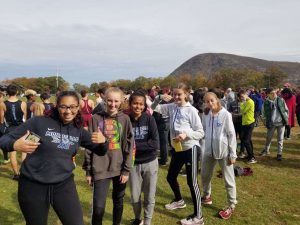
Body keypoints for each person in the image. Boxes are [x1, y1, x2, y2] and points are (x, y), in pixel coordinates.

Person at [0, 90, 108, 225]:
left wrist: (104, 142)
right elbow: (4, 140)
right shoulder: (39, 123)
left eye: (73, 107)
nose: (68, 111)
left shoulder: (78, 130)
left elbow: (101, 151)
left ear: (78, 107)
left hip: (63, 186)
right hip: (33, 186)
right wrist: (14, 144)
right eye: (64, 107)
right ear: (56, 106)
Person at [151, 83, 205, 225]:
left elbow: (200, 132)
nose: (176, 97)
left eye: (179, 94)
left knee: (192, 182)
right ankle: (179, 200)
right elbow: (153, 108)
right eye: (174, 94)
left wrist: (185, 134)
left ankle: (199, 217)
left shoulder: (191, 110)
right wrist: (158, 97)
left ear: (186, 94)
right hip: (177, 149)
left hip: (190, 148)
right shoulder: (171, 107)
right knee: (170, 177)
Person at [83, 87, 134, 225]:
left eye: (116, 101)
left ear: (122, 101)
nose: (112, 104)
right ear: (104, 100)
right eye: (109, 100)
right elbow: (89, 146)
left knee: (118, 201)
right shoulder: (95, 118)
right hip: (100, 168)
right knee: (98, 208)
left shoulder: (125, 119)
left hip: (119, 169)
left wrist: (126, 170)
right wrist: (88, 170)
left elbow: (130, 146)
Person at [201, 92, 237, 220]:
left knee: (228, 180)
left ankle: (231, 205)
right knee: (205, 175)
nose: (210, 103)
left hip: (224, 152)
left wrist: (233, 154)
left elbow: (231, 134)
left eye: (212, 100)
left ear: (217, 99)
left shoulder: (225, 114)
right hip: (208, 151)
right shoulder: (206, 114)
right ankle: (207, 196)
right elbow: (204, 130)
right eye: (207, 101)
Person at [128, 91, 159, 225]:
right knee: (135, 197)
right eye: (135, 103)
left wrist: (133, 146)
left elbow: (155, 143)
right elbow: (123, 143)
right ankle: (138, 218)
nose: (138, 106)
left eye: (141, 104)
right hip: (133, 163)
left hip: (150, 162)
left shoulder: (149, 119)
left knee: (149, 196)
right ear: (130, 104)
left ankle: (147, 221)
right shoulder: (126, 119)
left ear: (144, 105)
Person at [0, 84, 27, 180]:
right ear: (17, 92)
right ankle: (23, 173)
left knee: (12, 153)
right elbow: (25, 119)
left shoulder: (2, 104)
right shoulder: (23, 103)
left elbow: (2, 121)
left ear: (7, 92)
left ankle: (16, 174)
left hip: (10, 130)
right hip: (21, 129)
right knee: (24, 152)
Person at [260, 88, 288, 161]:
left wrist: (285, 118)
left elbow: (286, 110)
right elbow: (263, 114)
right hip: (271, 123)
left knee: (280, 139)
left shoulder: (281, 100)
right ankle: (266, 150)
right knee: (268, 138)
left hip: (281, 123)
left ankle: (279, 154)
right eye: (272, 93)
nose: (274, 94)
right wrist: (265, 122)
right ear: (268, 94)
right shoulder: (266, 102)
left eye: (275, 92)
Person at [238, 90, 256, 164]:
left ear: (246, 95)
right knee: (246, 139)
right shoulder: (246, 102)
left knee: (246, 140)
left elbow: (243, 111)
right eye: (240, 97)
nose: (241, 98)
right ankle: (250, 155)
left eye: (242, 96)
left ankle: (252, 158)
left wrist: (241, 103)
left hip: (249, 123)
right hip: (244, 123)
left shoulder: (250, 102)